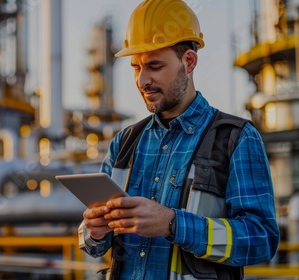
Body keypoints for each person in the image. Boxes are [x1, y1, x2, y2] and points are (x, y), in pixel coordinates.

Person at [78, 0, 280, 279]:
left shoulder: (236, 139)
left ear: (189, 62)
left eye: (155, 66)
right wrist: (94, 231)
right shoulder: (124, 142)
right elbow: (93, 243)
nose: (142, 80)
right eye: (136, 68)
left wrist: (173, 224)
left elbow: (261, 240)